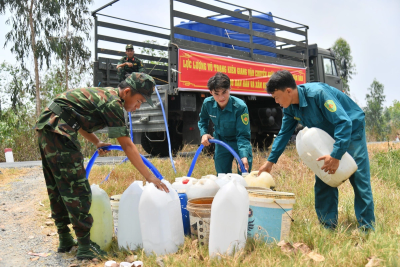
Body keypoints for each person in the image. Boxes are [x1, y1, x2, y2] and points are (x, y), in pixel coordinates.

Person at [34, 73, 168, 260]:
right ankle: (85, 246)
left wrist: (97, 142)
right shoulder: (113, 104)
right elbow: (127, 145)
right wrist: (150, 177)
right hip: (59, 131)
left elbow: (76, 121)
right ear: (127, 92)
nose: (138, 107)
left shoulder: (108, 96)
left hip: (48, 127)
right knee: (77, 188)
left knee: (57, 186)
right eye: (138, 101)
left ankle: (65, 237)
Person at [258, 70, 375, 231]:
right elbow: (283, 134)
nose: (276, 101)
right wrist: (270, 162)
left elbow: (344, 123)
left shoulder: (318, 94)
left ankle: (367, 228)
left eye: (277, 97)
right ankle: (328, 226)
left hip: (351, 129)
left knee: (359, 177)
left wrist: (336, 155)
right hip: (328, 133)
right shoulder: (290, 107)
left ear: (289, 91)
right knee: (324, 174)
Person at [198, 72, 252, 174]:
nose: (221, 97)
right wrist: (204, 133)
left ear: (230, 88)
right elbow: (203, 120)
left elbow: (243, 135)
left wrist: (244, 155)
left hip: (238, 142)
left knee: (244, 176)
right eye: (216, 94)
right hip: (221, 142)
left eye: (224, 92)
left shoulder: (240, 107)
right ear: (211, 92)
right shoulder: (207, 104)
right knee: (222, 176)